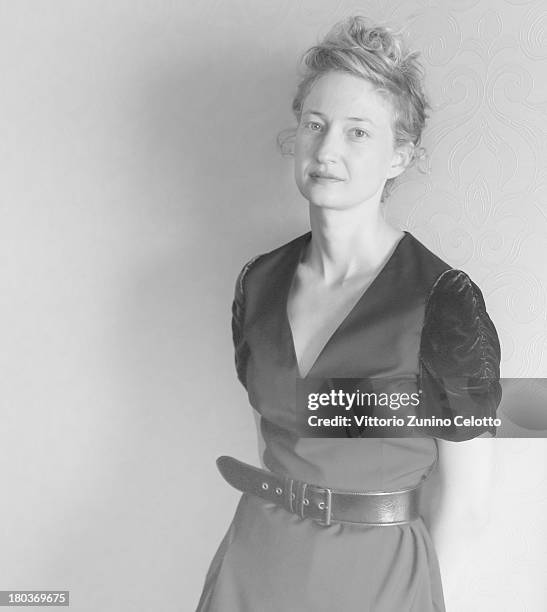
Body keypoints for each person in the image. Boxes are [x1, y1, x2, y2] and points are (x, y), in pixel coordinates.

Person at [196, 15, 501, 612]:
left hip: (378, 581)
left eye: (358, 132)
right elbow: (273, 435)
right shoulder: (257, 283)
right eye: (315, 124)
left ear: (400, 156)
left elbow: (466, 505)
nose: (327, 149)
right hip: (253, 567)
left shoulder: (446, 302)